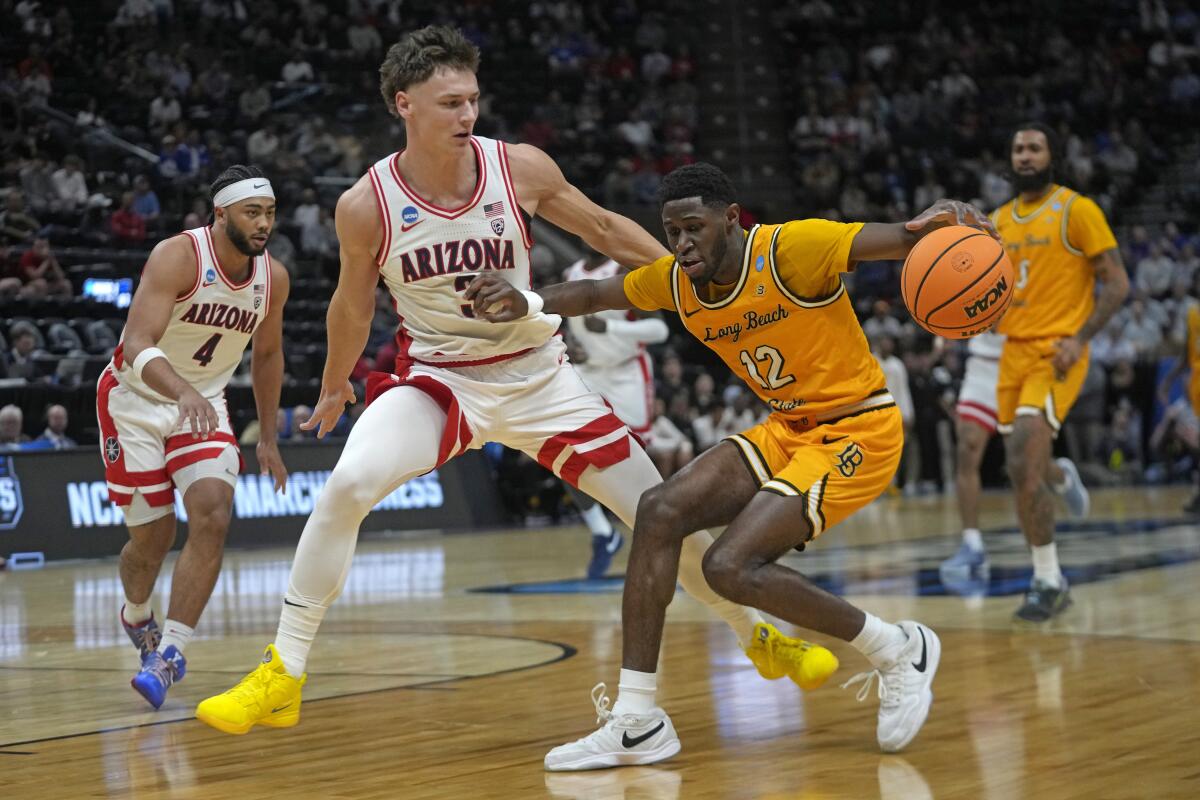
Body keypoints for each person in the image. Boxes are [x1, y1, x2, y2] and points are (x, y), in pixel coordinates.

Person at [195, 26, 827, 737]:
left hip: (539, 378)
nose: (466, 115)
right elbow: (352, 302)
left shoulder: (517, 166)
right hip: (441, 381)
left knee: (659, 512)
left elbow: (605, 230)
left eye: (472, 99)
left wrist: (693, 287)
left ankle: (759, 637)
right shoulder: (366, 202)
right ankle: (284, 670)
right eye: (448, 103)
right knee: (346, 486)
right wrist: (337, 383)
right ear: (404, 104)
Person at [467, 163, 995, 767]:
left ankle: (896, 648)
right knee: (659, 511)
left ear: (732, 220)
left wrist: (950, 218)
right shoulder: (678, 281)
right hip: (787, 431)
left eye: (694, 228)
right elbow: (592, 295)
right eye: (672, 232)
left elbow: (904, 237)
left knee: (728, 565)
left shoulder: (793, 248)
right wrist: (527, 302)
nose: (683, 244)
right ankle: (637, 720)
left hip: (859, 431)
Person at [101, 164, 290, 709]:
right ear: (221, 214)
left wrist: (269, 438)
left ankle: (172, 653)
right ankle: (137, 615)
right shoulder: (178, 256)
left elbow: (270, 354)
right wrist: (180, 389)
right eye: (252, 213)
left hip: (201, 403)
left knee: (213, 510)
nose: (263, 224)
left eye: (270, 213)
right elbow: (136, 341)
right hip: (134, 399)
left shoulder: (272, 277)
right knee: (152, 539)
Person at [990, 123, 1128, 622]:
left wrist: (1081, 338)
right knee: (1023, 465)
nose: (1025, 156)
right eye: (1018, 149)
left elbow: (1116, 283)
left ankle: (1048, 579)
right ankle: (1060, 474)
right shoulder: (996, 221)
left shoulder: (1076, 209)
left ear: (1052, 156)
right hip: (1011, 353)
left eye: (1034, 148)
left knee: (1023, 456)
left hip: (1058, 353)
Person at [562, 242, 670, 578]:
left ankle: (664, 531)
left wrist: (611, 327)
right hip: (590, 372)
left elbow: (660, 330)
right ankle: (602, 533)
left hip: (627, 373)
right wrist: (572, 346)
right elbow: (571, 328)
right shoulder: (571, 275)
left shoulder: (624, 270)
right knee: (564, 448)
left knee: (636, 459)